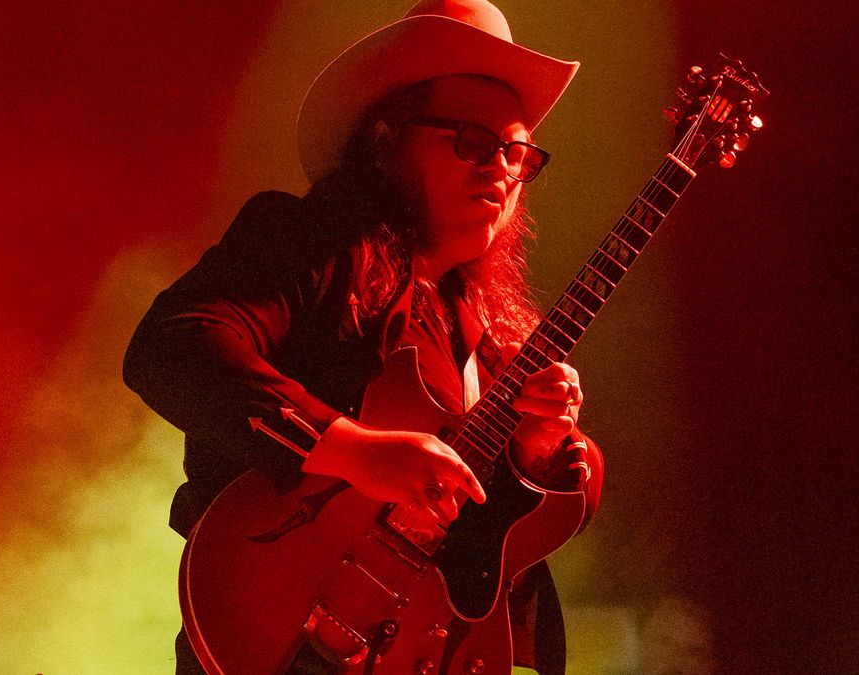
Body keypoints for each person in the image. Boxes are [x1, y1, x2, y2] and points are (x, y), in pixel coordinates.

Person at [124, 1, 603, 672]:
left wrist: (538, 456)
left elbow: (506, 530)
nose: (500, 168)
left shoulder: (491, 326)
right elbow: (172, 346)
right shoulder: (308, 243)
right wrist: (350, 449)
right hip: (282, 635)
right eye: (471, 140)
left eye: (517, 153)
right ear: (387, 141)